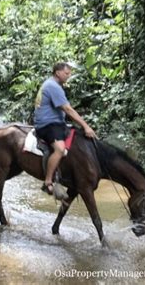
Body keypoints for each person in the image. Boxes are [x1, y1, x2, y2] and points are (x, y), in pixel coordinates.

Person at [34, 62, 97, 200]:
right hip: (47, 124)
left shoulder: (53, 84)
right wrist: (86, 126)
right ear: (58, 73)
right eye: (66, 73)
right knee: (60, 149)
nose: (69, 76)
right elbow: (68, 109)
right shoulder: (53, 87)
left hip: (57, 123)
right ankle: (48, 181)